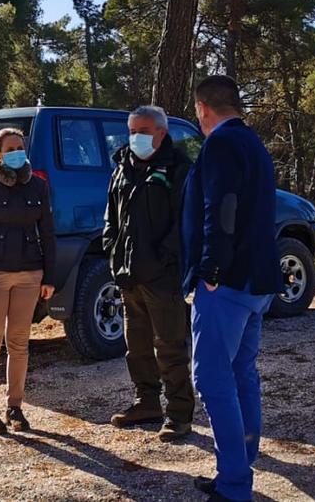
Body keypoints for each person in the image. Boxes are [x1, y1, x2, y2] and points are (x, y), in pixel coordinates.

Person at [181, 77, 284, 502]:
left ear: (203, 108)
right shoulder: (254, 144)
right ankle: (239, 464)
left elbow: (220, 208)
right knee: (241, 372)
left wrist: (210, 268)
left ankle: (235, 484)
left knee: (210, 377)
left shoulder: (221, 144)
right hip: (257, 278)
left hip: (229, 281)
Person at [103, 106, 195, 441]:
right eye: (132, 130)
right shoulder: (122, 166)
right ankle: (146, 402)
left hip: (161, 275)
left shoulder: (177, 168)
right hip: (128, 274)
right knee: (136, 344)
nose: (135, 137)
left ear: (160, 132)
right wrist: (113, 253)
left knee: (169, 345)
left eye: (142, 130)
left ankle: (179, 414)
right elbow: (111, 217)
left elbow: (182, 224)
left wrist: (162, 261)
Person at [0, 127, 58, 435]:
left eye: (21, 146)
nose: (17, 151)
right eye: (10, 148)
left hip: (30, 274)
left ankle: (15, 406)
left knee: (19, 342)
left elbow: (47, 233)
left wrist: (49, 275)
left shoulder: (37, 186)